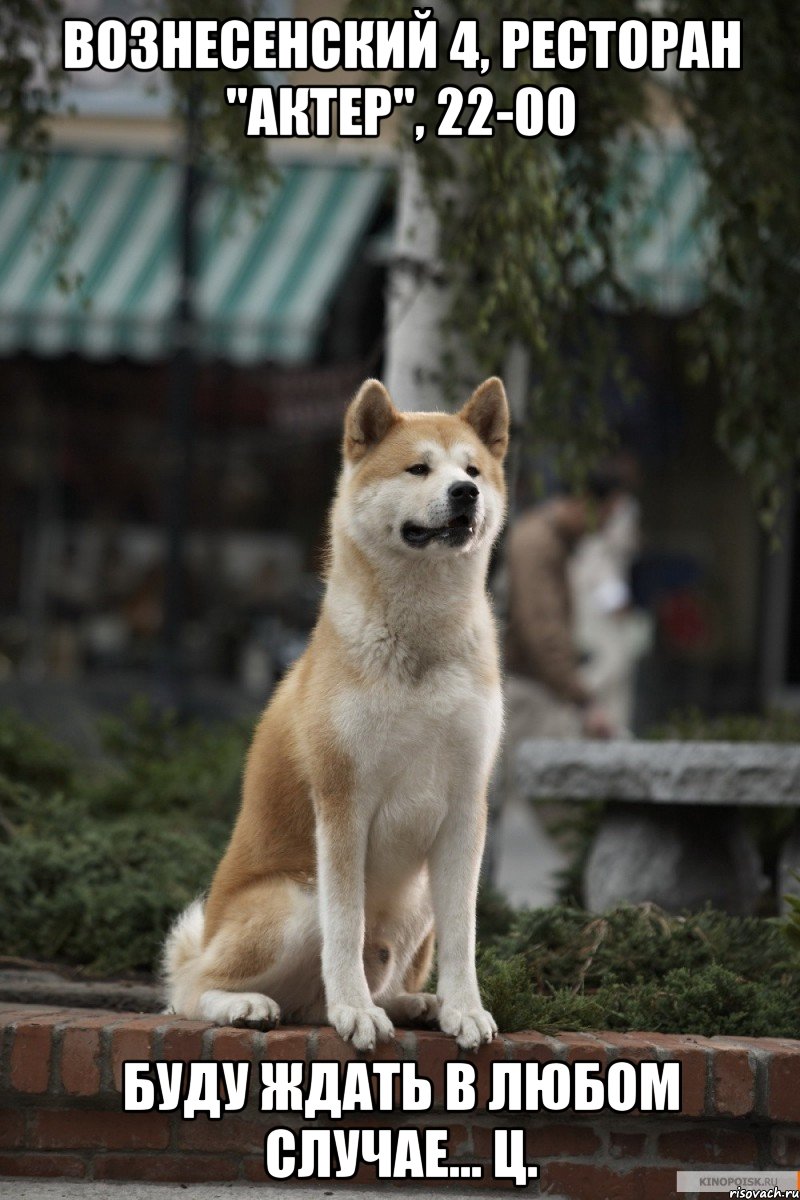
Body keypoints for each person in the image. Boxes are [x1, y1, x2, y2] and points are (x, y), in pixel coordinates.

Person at [504, 470, 627, 742]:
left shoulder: (551, 541)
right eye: (607, 515)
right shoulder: (538, 544)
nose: (605, 527)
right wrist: (583, 700)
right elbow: (542, 630)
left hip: (537, 687)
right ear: (586, 502)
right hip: (526, 691)